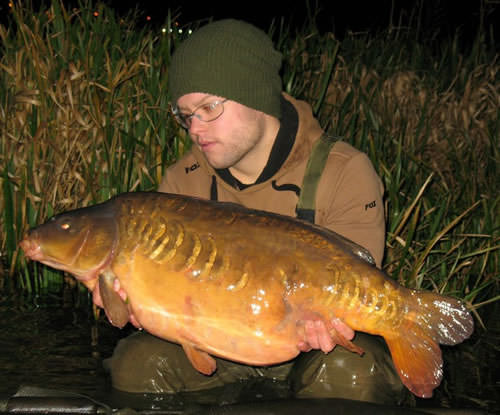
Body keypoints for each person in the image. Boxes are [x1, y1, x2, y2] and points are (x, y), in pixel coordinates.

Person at [99, 18, 408, 406]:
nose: (195, 128)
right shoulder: (183, 180)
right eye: (185, 114)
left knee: (348, 370)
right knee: (137, 363)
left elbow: (357, 287)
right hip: (219, 341)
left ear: (257, 97)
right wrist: (133, 299)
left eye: (208, 108)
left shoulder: (343, 171)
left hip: (313, 350)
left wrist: (333, 320)